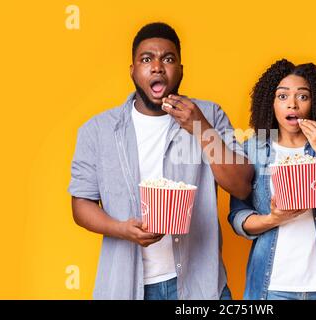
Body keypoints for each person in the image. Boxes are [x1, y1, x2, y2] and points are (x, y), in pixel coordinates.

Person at [68, 22, 253, 300]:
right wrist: (122, 229)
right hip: (125, 287)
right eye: (146, 59)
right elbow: (81, 203)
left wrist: (201, 129)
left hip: (200, 286)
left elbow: (241, 186)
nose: (157, 66)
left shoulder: (209, 115)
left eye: (168, 58)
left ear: (180, 70)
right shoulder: (97, 131)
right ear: (133, 70)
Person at [228, 59, 316, 300]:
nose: (292, 104)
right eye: (282, 97)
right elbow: (239, 217)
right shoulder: (253, 149)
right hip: (272, 287)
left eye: (303, 96)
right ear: (270, 103)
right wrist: (273, 218)